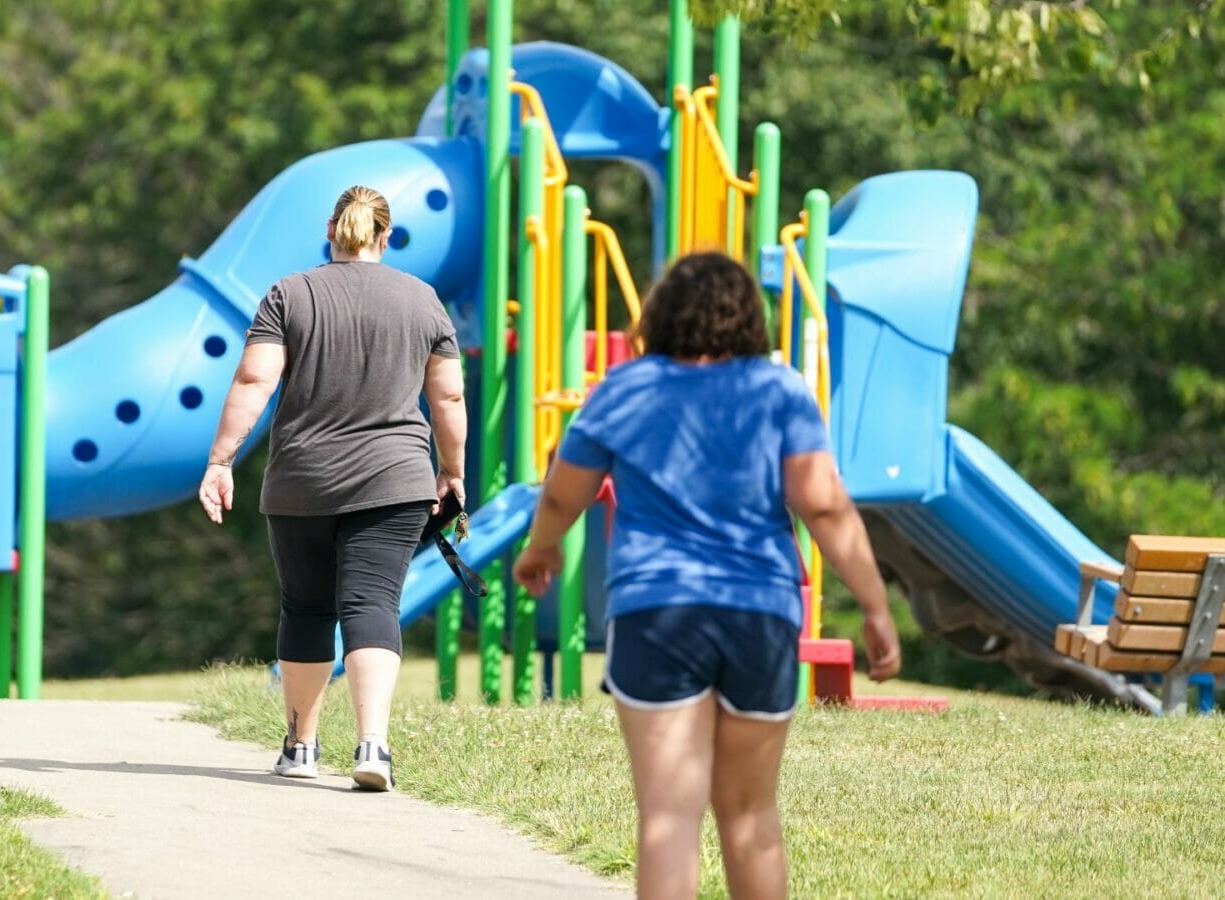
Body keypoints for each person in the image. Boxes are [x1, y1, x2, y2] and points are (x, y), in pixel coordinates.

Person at [513, 252, 900, 899]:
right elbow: (824, 502)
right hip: (760, 612)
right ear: (748, 317)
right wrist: (875, 605)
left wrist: (541, 548)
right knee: (751, 817)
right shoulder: (779, 390)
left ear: (662, 313)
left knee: (669, 817)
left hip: (656, 611)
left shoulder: (626, 387)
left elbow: (562, 492)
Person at [199, 185, 467, 792]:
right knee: (372, 606)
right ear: (387, 235)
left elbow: (253, 380)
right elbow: (447, 395)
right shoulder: (423, 301)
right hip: (395, 478)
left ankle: (300, 746)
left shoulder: (289, 294)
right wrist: (452, 471)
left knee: (308, 609)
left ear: (331, 228)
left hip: (302, 479)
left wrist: (222, 461)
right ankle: (373, 746)